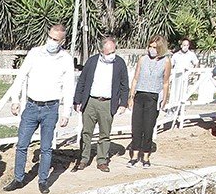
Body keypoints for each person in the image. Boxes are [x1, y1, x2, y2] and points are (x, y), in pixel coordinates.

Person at [3, 23, 73, 194]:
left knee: (46, 147)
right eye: (50, 37)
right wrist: (15, 99)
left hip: (51, 107)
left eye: (56, 40)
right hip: (32, 105)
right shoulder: (35, 53)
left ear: (62, 41)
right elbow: (21, 76)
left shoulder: (66, 59)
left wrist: (66, 112)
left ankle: (43, 180)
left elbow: (69, 86)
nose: (52, 41)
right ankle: (18, 178)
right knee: (22, 144)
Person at [72, 36, 129, 173]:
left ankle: (102, 160)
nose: (111, 55)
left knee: (105, 133)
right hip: (91, 101)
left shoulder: (119, 63)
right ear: (101, 51)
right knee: (86, 132)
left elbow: (124, 85)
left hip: (107, 103)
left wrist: (123, 103)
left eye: (113, 52)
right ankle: (84, 159)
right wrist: (77, 100)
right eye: (109, 53)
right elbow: (82, 81)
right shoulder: (92, 62)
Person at [126, 36, 171, 167]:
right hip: (140, 95)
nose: (152, 50)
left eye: (155, 47)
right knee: (136, 126)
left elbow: (166, 82)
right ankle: (134, 155)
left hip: (153, 97)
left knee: (148, 127)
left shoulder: (166, 61)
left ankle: (145, 155)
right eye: (150, 47)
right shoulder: (142, 60)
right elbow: (135, 78)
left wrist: (165, 99)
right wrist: (131, 96)